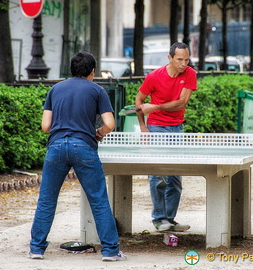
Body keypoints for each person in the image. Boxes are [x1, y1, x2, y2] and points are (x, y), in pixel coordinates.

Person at [28, 51, 126, 262]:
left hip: (56, 147)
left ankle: (36, 248)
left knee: (46, 200)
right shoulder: (97, 90)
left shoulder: (56, 89)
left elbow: (45, 126)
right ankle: (110, 251)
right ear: (92, 72)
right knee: (98, 200)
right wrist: (97, 133)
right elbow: (109, 124)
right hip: (84, 147)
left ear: (71, 70)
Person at [135, 42, 197, 232]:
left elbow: (181, 103)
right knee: (158, 175)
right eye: (179, 59)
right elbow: (139, 100)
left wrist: (155, 107)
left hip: (177, 128)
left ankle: (169, 219)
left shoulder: (190, 74)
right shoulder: (154, 76)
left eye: (186, 59)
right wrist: (143, 127)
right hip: (157, 127)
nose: (183, 63)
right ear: (169, 58)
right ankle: (159, 218)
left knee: (175, 177)